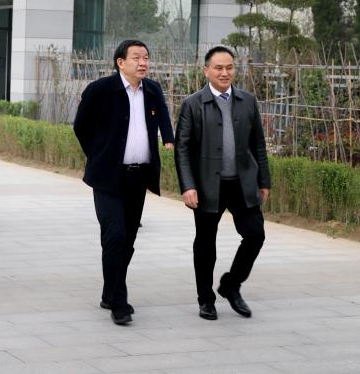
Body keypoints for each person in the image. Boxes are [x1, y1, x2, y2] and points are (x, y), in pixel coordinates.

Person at [73, 40, 174, 326]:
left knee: (127, 240)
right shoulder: (100, 90)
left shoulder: (152, 90)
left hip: (138, 177)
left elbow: (163, 115)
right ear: (120, 62)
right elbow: (81, 127)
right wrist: (99, 155)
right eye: (136, 58)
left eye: (146, 58)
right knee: (114, 237)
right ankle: (119, 301)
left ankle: (110, 291)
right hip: (107, 178)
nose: (143, 63)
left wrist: (168, 138)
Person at [175, 46, 270, 321]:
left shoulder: (247, 101)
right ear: (206, 71)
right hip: (208, 186)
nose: (225, 72)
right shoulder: (193, 104)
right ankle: (206, 299)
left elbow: (258, 144)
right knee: (206, 243)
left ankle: (231, 284)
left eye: (229, 67)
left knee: (255, 235)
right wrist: (188, 186)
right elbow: (182, 149)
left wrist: (264, 180)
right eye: (218, 68)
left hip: (242, 183)